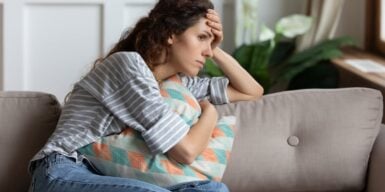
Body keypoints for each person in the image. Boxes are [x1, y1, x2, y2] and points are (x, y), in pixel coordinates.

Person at [28, 0, 264, 191]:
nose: (207, 52)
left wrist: (216, 49)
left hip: (110, 173)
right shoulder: (128, 66)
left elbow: (252, 92)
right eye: (201, 37)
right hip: (64, 171)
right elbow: (187, 151)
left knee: (213, 190)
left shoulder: (176, 84)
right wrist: (210, 113)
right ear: (171, 34)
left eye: (210, 42)